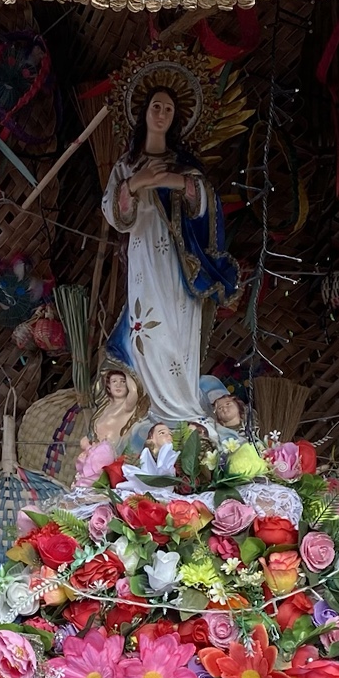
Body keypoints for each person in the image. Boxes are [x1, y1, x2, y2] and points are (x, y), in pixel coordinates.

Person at [102, 79, 238, 429]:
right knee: (146, 331)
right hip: (144, 258)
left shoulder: (183, 166)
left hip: (180, 266)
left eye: (168, 109)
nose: (161, 114)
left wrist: (174, 182)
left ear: (176, 117)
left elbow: (206, 204)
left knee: (179, 333)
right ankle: (154, 412)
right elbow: (115, 214)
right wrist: (138, 182)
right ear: (144, 113)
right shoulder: (126, 166)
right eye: (156, 107)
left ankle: (183, 408)